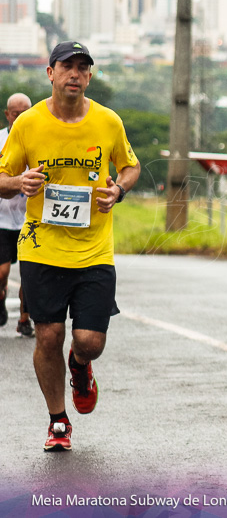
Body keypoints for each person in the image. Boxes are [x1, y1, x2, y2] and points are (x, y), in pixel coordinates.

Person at [0, 41, 140, 452]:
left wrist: (118, 189)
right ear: (51, 74)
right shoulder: (28, 124)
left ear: (90, 76)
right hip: (42, 247)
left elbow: (129, 166)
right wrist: (18, 183)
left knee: (89, 341)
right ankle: (58, 421)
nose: (75, 74)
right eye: (67, 67)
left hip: (95, 250)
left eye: (83, 68)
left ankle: (80, 367)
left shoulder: (108, 122)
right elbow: (2, 178)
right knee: (48, 335)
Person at [0, 92, 34, 337]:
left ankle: (24, 319)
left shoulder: (40, 140)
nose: (21, 118)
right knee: (2, 273)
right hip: (1, 220)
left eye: (26, 113)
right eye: (16, 114)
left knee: (30, 275)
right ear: (7, 114)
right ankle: (1, 298)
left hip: (29, 220)